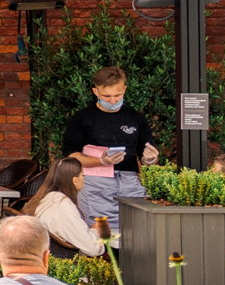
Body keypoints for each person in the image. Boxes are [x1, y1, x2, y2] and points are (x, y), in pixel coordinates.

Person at [60, 65, 160, 231]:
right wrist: (101, 160)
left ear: (124, 89)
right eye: (106, 96)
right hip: (95, 183)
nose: (113, 101)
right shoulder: (82, 118)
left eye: (117, 95)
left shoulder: (136, 117)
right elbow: (71, 155)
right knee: (100, 233)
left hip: (130, 181)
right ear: (95, 92)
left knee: (137, 230)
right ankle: (103, 258)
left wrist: (150, 158)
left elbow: (147, 155)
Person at [26, 155, 109, 258]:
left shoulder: (47, 198)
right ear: (75, 180)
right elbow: (94, 249)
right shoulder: (62, 205)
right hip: (65, 263)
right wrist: (96, 230)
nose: (84, 179)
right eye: (83, 175)